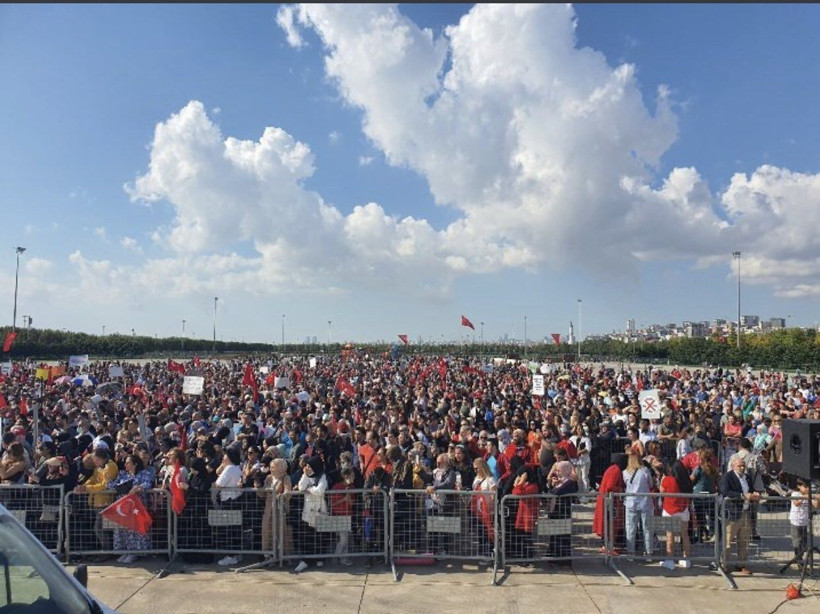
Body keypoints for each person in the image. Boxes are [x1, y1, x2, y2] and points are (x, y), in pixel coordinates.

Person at [107, 454, 155, 564]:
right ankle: (124, 550)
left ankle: (134, 552)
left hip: (137, 506)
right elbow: (114, 485)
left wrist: (139, 487)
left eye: (128, 462)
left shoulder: (144, 473)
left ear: (135, 464)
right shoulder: (123, 475)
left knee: (134, 530)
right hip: (123, 506)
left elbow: (147, 484)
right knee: (122, 529)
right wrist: (108, 479)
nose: (125, 464)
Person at [719, 456, 758, 576]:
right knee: (728, 540)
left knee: (745, 540)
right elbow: (725, 491)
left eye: (743, 466)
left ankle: (741, 564)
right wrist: (742, 496)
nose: (742, 467)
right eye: (739, 465)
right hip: (732, 513)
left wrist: (754, 494)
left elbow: (750, 490)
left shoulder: (747, 477)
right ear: (733, 466)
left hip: (746, 512)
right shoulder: (727, 477)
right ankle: (723, 564)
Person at [293, 456, 329, 573]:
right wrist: (305, 476)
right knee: (306, 538)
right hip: (308, 512)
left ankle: (320, 558)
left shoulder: (322, 476)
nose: (307, 468)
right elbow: (301, 487)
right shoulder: (306, 476)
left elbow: (320, 491)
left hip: (319, 511)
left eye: (309, 466)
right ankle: (305, 561)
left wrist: (310, 489)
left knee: (320, 537)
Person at [213, 445, 245, 567]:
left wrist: (223, 468)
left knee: (229, 529)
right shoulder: (236, 467)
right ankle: (236, 554)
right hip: (235, 500)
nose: (223, 457)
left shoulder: (230, 468)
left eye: (225, 455)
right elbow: (218, 472)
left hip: (229, 501)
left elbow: (218, 484)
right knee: (235, 528)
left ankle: (231, 556)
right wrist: (222, 465)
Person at [658, 460, 692, 570]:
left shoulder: (668, 480)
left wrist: (662, 479)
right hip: (683, 509)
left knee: (670, 536)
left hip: (670, 510)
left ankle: (670, 560)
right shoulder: (686, 480)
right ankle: (686, 559)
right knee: (685, 535)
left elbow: (662, 492)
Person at [622, 449, 654, 560]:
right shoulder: (645, 470)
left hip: (630, 502)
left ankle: (631, 553)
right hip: (645, 502)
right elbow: (651, 484)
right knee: (647, 529)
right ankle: (648, 553)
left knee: (630, 529)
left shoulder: (625, 472)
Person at [593, 453, 627, 554]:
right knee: (610, 523)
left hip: (605, 499)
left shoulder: (611, 468)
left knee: (607, 523)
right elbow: (610, 486)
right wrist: (621, 489)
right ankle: (608, 546)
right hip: (609, 501)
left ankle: (606, 546)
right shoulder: (616, 470)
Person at [690, 447, 718, 543]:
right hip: (710, 496)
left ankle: (701, 536)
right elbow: (717, 480)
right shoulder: (713, 468)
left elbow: (691, 480)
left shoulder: (698, 468)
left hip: (699, 496)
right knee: (712, 516)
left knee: (700, 517)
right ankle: (714, 535)